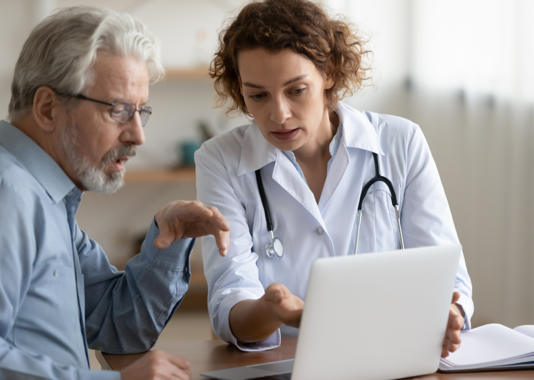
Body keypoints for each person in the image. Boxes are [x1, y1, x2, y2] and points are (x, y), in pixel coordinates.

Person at [196, 0, 472, 357]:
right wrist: (271, 311)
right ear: (240, 90)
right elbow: (228, 304)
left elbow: (449, 277)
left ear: (329, 74)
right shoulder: (219, 160)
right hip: (286, 364)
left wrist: (450, 313)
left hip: (390, 353)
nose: (278, 114)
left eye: (296, 90)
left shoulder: (401, 142)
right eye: (258, 95)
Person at [0, 7, 229, 380]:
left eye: (140, 112)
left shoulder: (47, 199)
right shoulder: (4, 192)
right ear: (48, 108)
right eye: (118, 110)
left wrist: (170, 239)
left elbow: (118, 323)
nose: (138, 135)